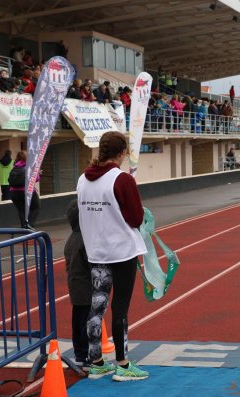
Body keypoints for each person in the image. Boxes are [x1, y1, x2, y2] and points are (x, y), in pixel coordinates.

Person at [76, 131, 149, 381]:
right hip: (121, 252)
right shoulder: (122, 180)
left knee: (97, 306)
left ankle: (96, 362)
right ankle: (123, 365)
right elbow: (136, 218)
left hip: (96, 251)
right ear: (122, 153)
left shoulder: (82, 180)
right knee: (120, 309)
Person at [64, 199, 92, 369]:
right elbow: (91, 263)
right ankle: (85, 355)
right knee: (85, 322)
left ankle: (80, 354)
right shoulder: (85, 240)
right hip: (85, 287)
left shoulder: (72, 239)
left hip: (76, 286)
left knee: (78, 320)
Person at [9, 151, 40, 229]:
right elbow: (36, 179)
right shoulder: (29, 166)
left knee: (21, 210)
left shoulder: (14, 167)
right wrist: (38, 173)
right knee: (35, 207)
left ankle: (24, 228)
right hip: (27, 191)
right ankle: (30, 225)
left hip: (14, 192)